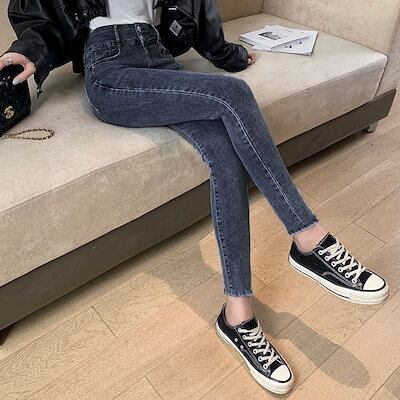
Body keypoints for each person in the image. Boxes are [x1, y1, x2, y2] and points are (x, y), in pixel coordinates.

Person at [0, 0, 389, 395]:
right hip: (110, 69)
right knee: (234, 95)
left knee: (224, 152)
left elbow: (199, 14)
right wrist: (29, 51)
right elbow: (43, 12)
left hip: (160, 58)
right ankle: (308, 238)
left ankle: (237, 316)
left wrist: (230, 55)